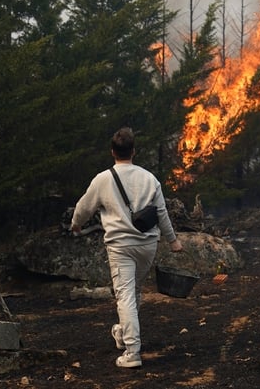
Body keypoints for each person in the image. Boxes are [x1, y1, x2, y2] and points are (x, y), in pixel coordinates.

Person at [71, 127, 183, 368]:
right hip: (147, 246)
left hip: (120, 246)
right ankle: (122, 333)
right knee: (133, 292)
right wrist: (173, 240)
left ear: (112, 152)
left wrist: (76, 225)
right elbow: (162, 213)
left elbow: (83, 208)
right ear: (134, 151)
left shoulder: (103, 179)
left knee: (125, 295)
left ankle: (132, 352)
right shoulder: (149, 179)